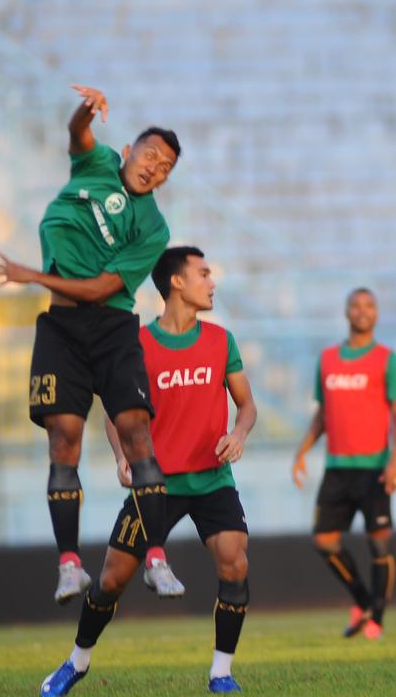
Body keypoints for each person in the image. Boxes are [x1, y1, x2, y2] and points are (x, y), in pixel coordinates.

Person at [0, 84, 184, 604]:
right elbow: (76, 132)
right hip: (61, 330)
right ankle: (69, 565)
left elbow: (103, 289)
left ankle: (158, 557)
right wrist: (86, 109)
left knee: (137, 435)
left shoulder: (153, 229)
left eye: (164, 167)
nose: (153, 168)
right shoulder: (95, 167)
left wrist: (35, 275)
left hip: (112, 329)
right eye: (149, 155)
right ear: (127, 152)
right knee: (63, 442)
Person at [41, 246, 258, 696]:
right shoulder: (137, 344)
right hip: (155, 483)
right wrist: (123, 456)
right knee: (111, 580)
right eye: (204, 273)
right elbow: (112, 411)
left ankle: (221, 674)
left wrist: (238, 433)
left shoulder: (222, 341)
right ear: (177, 282)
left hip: (212, 479)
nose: (212, 282)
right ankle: (76, 663)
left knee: (235, 562)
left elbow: (247, 404)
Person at [292, 287, 396, 640]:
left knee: (379, 544)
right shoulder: (327, 359)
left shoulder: (389, 360)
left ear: (377, 313)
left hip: (375, 468)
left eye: (369, 305)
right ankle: (363, 601)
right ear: (346, 312)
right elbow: (323, 416)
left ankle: (377, 621)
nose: (362, 311)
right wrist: (302, 451)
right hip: (337, 469)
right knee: (324, 540)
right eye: (355, 305)